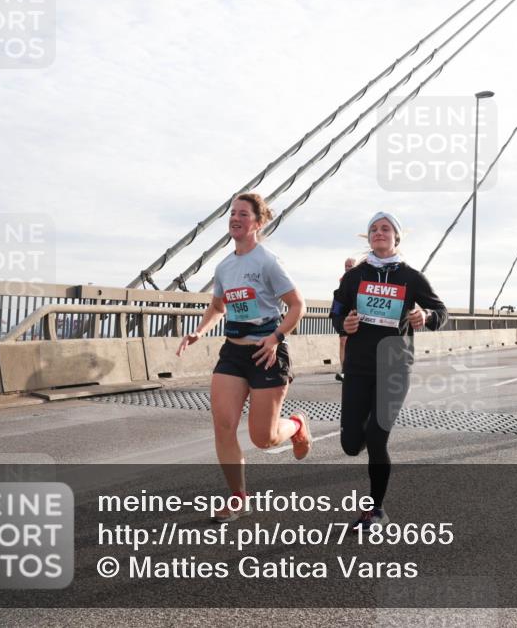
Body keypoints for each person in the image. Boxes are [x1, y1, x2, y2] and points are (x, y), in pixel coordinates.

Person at [176, 192, 308, 523]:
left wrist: (276, 338)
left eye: (243, 214)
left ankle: (296, 426)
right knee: (223, 425)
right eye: (232, 214)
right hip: (233, 353)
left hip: (266, 352)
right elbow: (219, 306)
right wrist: (200, 330)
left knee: (262, 438)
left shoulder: (268, 261)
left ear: (258, 222)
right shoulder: (224, 266)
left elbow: (297, 306)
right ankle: (238, 498)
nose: (235, 219)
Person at [332, 212, 449, 530]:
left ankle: (376, 511)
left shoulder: (411, 277)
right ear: (367, 238)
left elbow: (441, 311)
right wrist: (342, 323)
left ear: (396, 238)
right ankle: (366, 432)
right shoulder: (355, 276)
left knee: (377, 438)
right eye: (373, 229)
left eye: (385, 229)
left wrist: (425, 316)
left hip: (395, 367)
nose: (379, 232)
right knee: (351, 445)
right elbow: (337, 308)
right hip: (358, 367)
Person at [332, 257, 358, 382]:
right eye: (346, 266)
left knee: (349, 342)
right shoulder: (343, 279)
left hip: (353, 313)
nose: (348, 268)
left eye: (350, 266)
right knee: (343, 341)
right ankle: (345, 371)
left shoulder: (361, 278)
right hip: (340, 314)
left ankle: (351, 370)